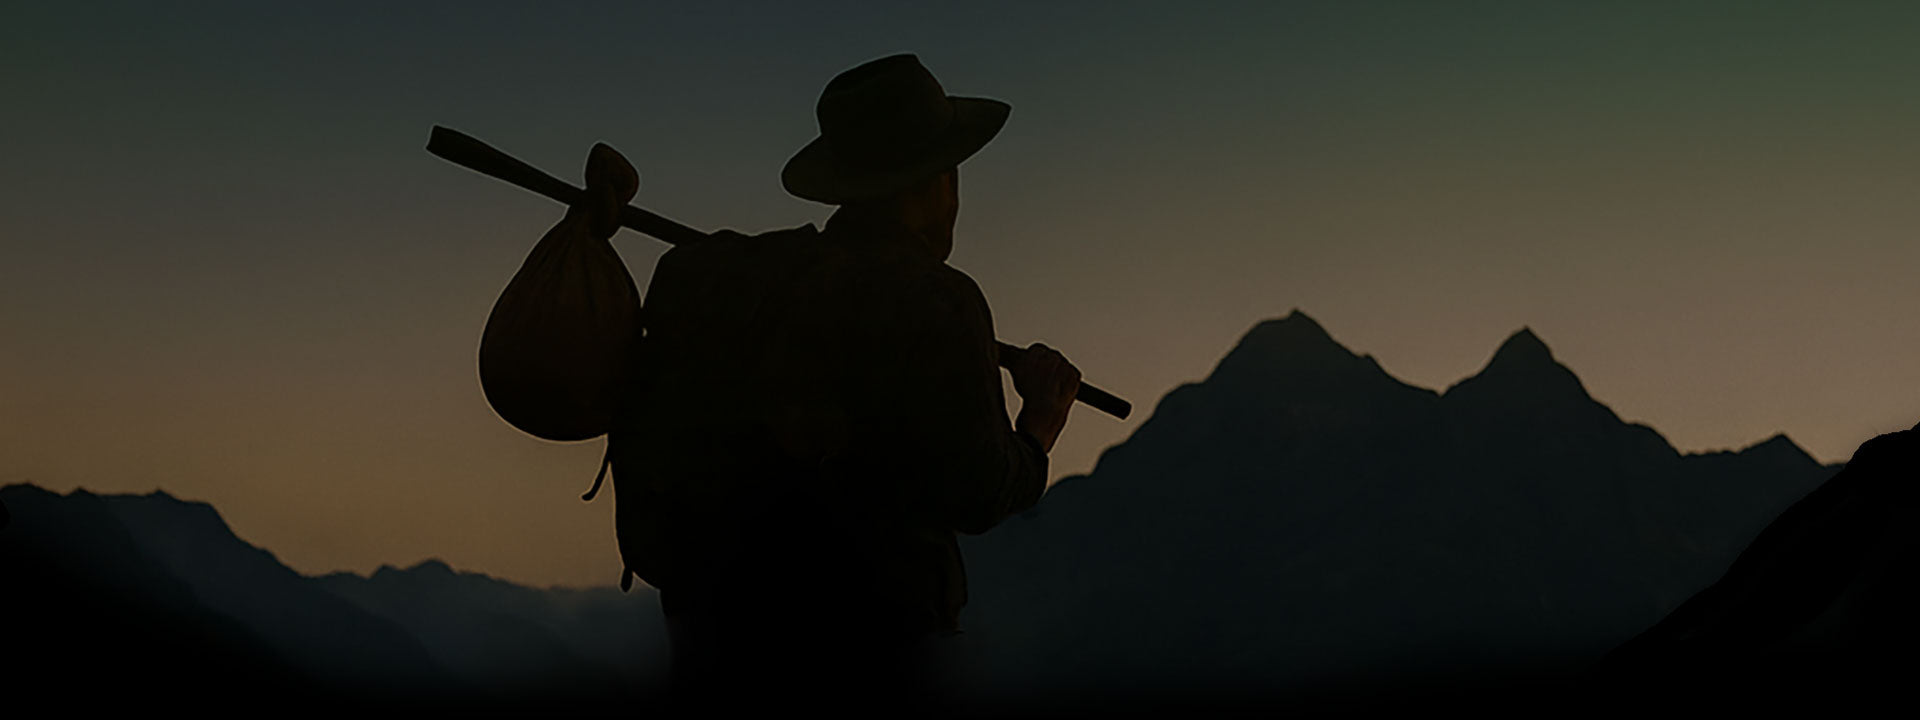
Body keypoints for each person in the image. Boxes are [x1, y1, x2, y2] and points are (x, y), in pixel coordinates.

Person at [572, 54, 1084, 712]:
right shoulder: (938, 302)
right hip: (868, 653)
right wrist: (1039, 426)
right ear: (935, 181)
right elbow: (979, 492)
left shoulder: (716, 274)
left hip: (717, 640)